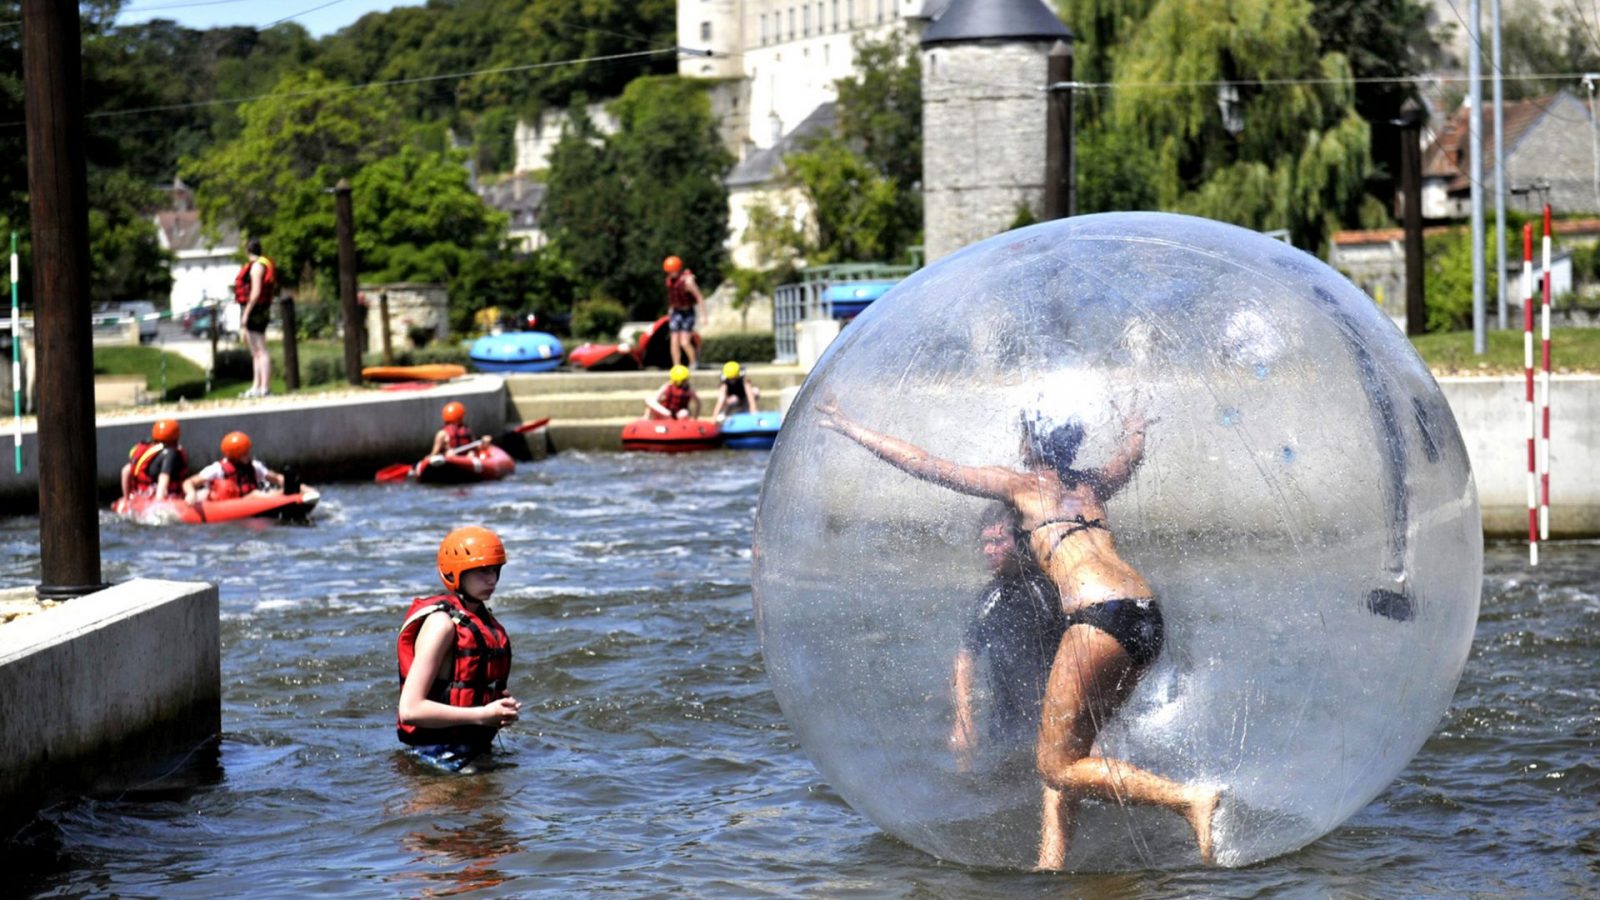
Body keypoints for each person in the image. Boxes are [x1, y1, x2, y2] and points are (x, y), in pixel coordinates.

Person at [815, 398, 1220, 868]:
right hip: (1145, 614)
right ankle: (1052, 863)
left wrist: (852, 429)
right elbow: (1127, 460)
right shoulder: (1090, 486)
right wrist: (1135, 431)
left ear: (1029, 443)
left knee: (1054, 764)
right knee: (1072, 750)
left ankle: (1186, 800)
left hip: (1099, 615)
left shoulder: (1023, 487)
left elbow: (925, 464)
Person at [949, 503, 1066, 774]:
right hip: (1006, 721)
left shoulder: (1047, 590)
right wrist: (963, 718)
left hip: (1052, 716)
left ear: (1022, 541)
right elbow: (965, 655)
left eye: (999, 541)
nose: (989, 551)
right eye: (985, 543)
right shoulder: (990, 597)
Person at [397, 526, 520, 772]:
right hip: (434, 756)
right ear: (456, 574)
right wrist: (483, 715)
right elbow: (410, 710)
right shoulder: (441, 625)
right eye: (482, 571)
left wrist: (499, 707)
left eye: (495, 570)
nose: (492, 580)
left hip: (474, 751)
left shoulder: (483, 621)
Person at [181, 430, 287, 503]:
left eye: (248, 451)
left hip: (251, 502)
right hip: (225, 505)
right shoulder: (217, 469)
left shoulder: (254, 466)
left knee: (260, 493)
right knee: (255, 494)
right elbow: (189, 482)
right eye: (245, 453)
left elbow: (277, 478)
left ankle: (292, 491)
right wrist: (191, 493)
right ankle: (284, 493)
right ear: (235, 456)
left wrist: (292, 484)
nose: (248, 455)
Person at [235, 238, 276, 398]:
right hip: (258, 309)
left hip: (256, 311)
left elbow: (256, 292)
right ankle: (256, 386)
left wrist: (246, 313)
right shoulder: (259, 265)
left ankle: (264, 387)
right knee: (256, 352)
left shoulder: (256, 267)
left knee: (261, 349)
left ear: (247, 251)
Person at [120, 419, 190, 501]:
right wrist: (159, 501)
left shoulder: (146, 448)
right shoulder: (171, 454)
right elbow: (164, 478)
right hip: (157, 497)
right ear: (176, 436)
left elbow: (125, 471)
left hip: (141, 494)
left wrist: (126, 499)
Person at [662, 255, 703, 370]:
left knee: (684, 342)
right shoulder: (669, 282)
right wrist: (670, 310)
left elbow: (699, 297)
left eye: (673, 271)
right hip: (675, 312)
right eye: (669, 271)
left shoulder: (687, 281)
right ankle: (676, 366)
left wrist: (703, 316)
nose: (671, 273)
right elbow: (671, 297)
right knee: (674, 340)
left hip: (687, 312)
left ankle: (693, 362)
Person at [428, 401, 493, 460]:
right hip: (451, 458)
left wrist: (484, 441)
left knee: (471, 454)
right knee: (450, 454)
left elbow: (475, 446)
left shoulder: (467, 431)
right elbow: (435, 453)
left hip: (466, 458)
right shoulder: (442, 434)